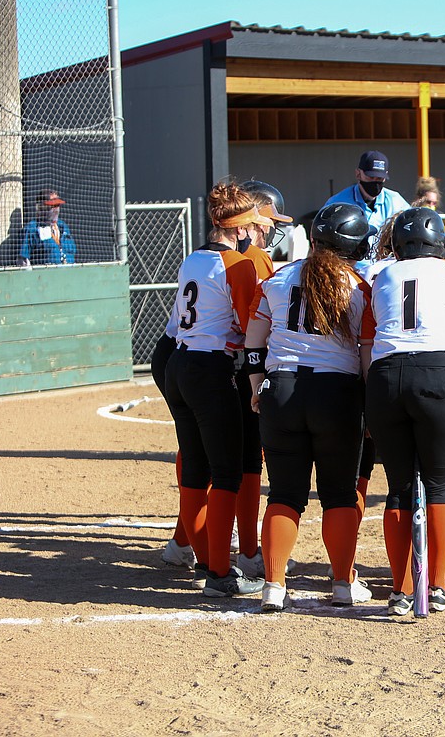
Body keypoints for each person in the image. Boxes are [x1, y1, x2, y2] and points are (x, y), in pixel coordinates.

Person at [244, 202, 377, 612]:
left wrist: (255, 389)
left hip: (280, 388)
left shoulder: (279, 278)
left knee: (284, 493)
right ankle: (341, 582)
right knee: (339, 494)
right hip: (336, 392)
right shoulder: (359, 286)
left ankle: (273, 585)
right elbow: (367, 357)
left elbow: (253, 343)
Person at [362, 207, 445, 615]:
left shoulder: (379, 274)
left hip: (386, 374)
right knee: (439, 483)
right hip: (433, 369)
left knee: (398, 487)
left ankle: (400, 588)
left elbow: (370, 333)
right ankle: (439, 584)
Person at [161, 181, 268, 597]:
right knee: (225, 474)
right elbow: (250, 326)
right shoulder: (237, 266)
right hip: (210, 370)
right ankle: (220, 573)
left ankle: (207, 559)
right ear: (240, 228)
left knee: (195, 468)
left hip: (180, 363)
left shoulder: (193, 258)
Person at [232, 180, 295, 580]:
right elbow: (254, 323)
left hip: (192, 358)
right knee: (247, 461)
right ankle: (249, 551)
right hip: (238, 363)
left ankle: (184, 541)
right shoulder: (254, 258)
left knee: (209, 456)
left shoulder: (209, 255)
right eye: (269, 220)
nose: (273, 229)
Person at [322, 150, 411, 247]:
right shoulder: (338, 202)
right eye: (370, 177)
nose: (375, 182)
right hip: (350, 261)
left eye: (379, 178)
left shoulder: (396, 202)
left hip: (384, 261)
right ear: (358, 174)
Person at [19, 189, 76, 266]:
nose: (56, 210)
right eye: (51, 206)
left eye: (57, 206)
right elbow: (23, 260)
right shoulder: (32, 229)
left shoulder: (63, 227)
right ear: (40, 207)